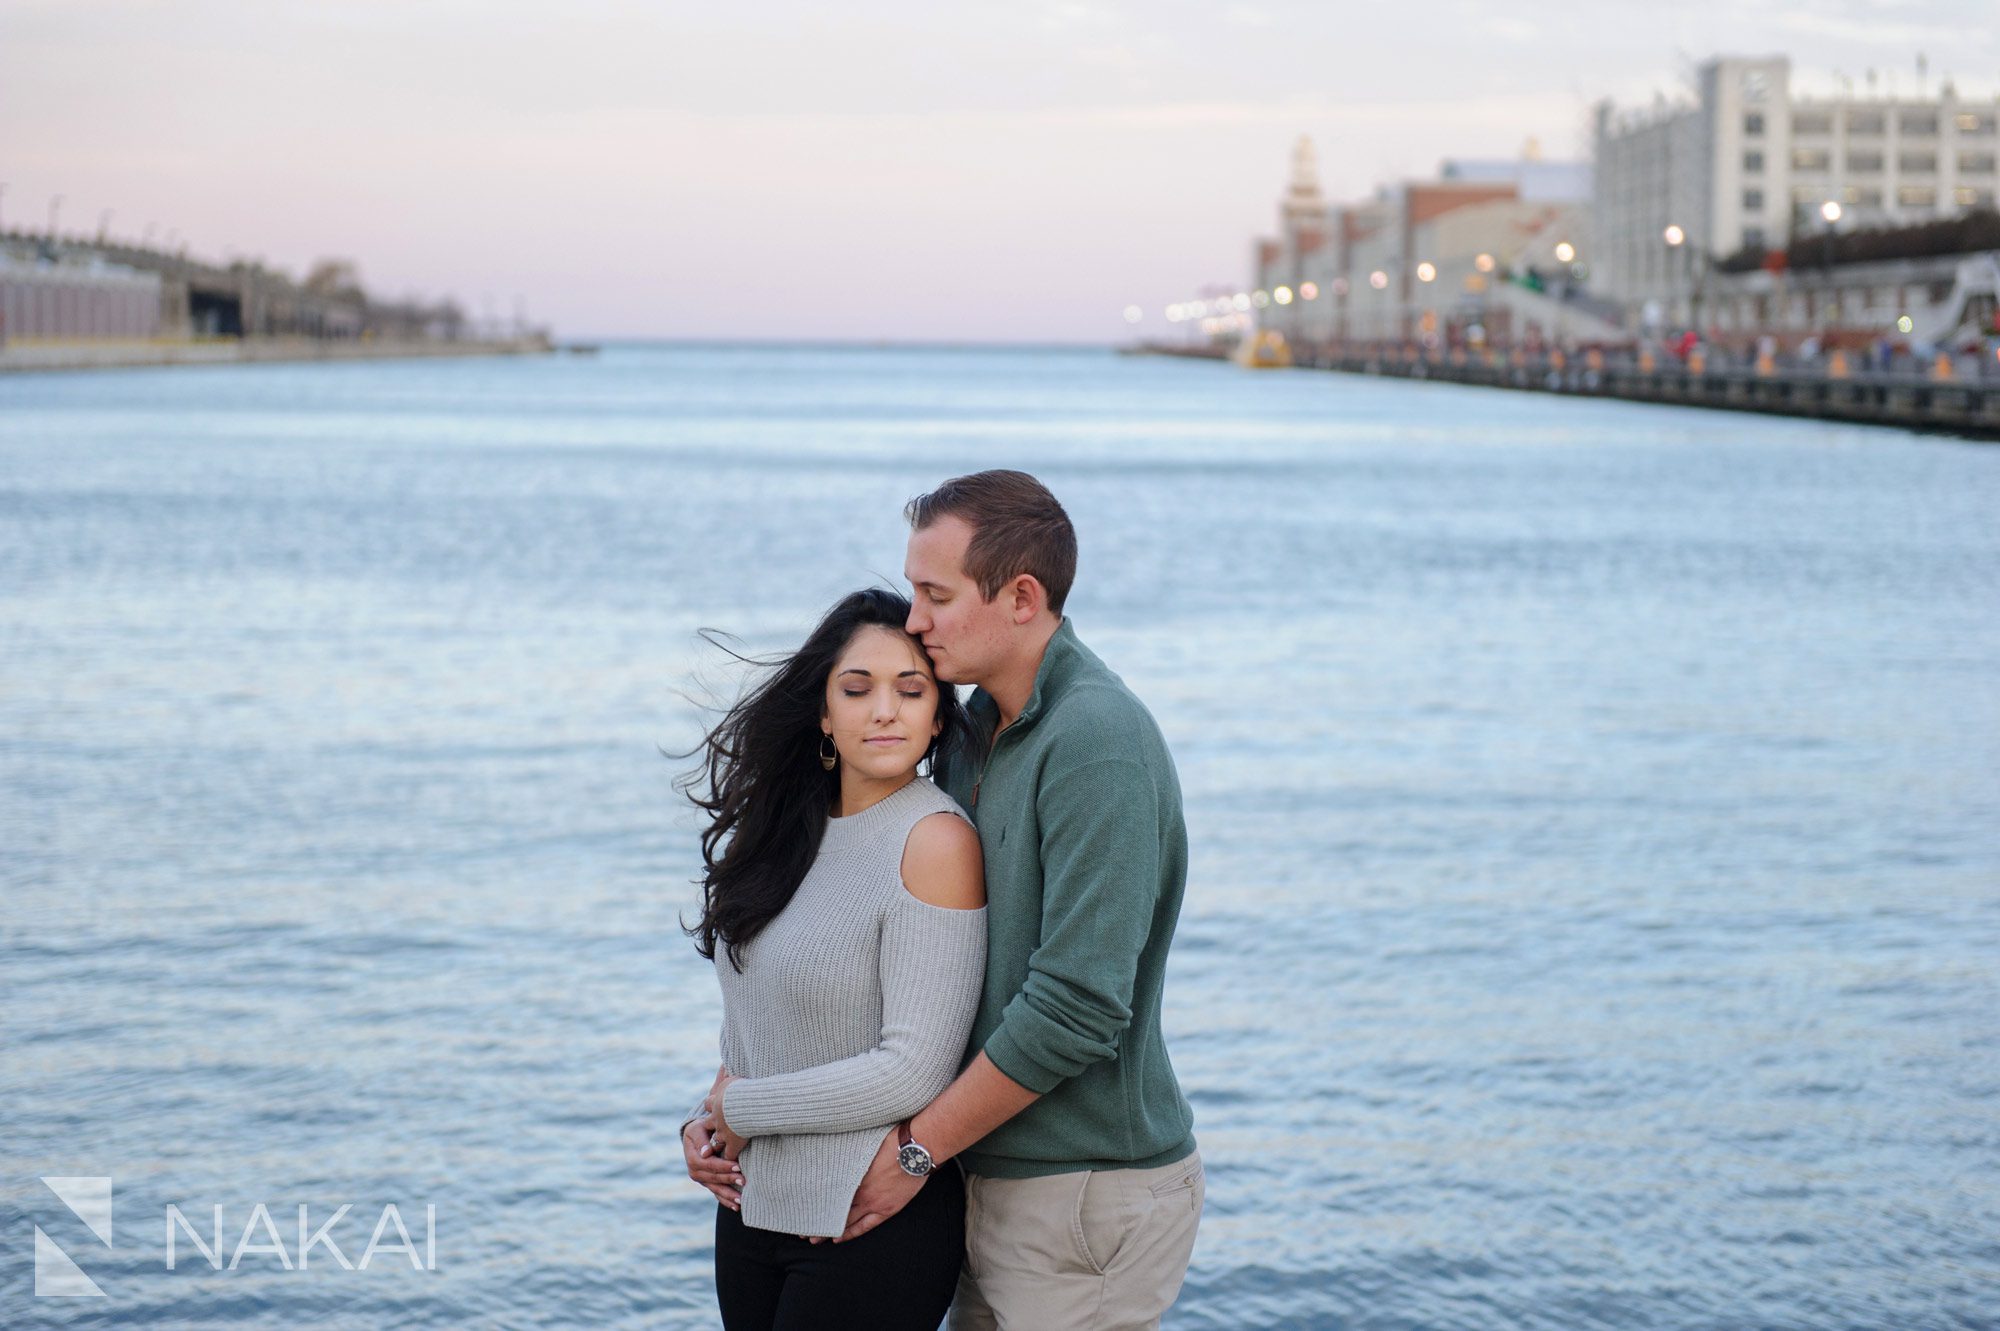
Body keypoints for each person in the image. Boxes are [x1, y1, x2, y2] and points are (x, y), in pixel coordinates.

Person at [840, 470, 1203, 1329]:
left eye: (935, 594)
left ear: (1022, 596)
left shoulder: (1096, 740)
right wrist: (740, 1097)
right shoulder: (968, 733)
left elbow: (1078, 1003)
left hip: (1086, 1195)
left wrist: (916, 1151)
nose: (914, 620)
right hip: (986, 1175)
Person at [677, 588, 987, 1331]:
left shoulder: (935, 839)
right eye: (858, 689)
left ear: (938, 715)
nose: (885, 709)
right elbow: (757, 1027)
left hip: (866, 1221)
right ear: (823, 712)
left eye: (910, 690)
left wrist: (740, 1108)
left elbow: (913, 1068)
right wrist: (705, 1119)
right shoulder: (785, 834)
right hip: (752, 1210)